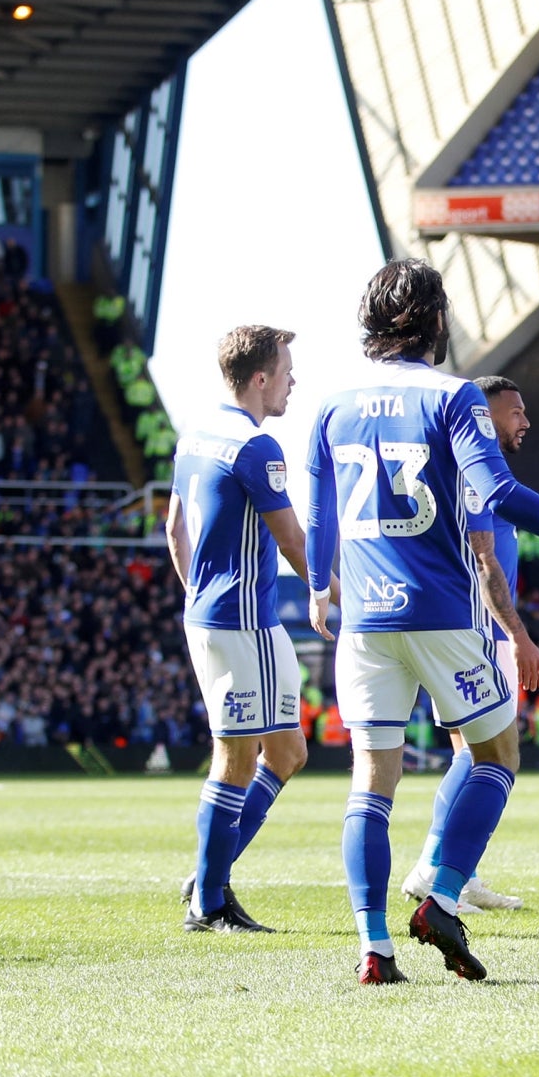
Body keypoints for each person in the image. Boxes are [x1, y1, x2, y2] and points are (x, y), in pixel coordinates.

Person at [306, 260, 539, 985]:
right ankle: (439, 895)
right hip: (440, 609)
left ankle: (374, 949)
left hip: (364, 620)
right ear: (432, 320)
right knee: (497, 752)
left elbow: (318, 516)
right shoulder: (454, 396)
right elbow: (496, 493)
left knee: (370, 783)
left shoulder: (329, 404)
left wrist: (320, 587)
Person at [167, 325, 313, 932]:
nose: (292, 381)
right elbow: (292, 540)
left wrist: (196, 594)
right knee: (234, 757)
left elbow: (175, 530)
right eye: (285, 370)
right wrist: (340, 596)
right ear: (260, 378)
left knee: (287, 752)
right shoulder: (258, 446)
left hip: (238, 618)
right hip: (239, 621)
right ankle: (209, 900)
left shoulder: (194, 436)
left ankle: (210, 870)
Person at [402, 375, 539, 913]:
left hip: (480, 628)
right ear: (483, 417)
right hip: (477, 630)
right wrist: (518, 635)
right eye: (514, 412)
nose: (524, 422)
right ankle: (434, 868)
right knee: (488, 753)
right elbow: (484, 566)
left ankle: (458, 874)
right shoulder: (473, 479)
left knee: (471, 752)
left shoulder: (488, 476)